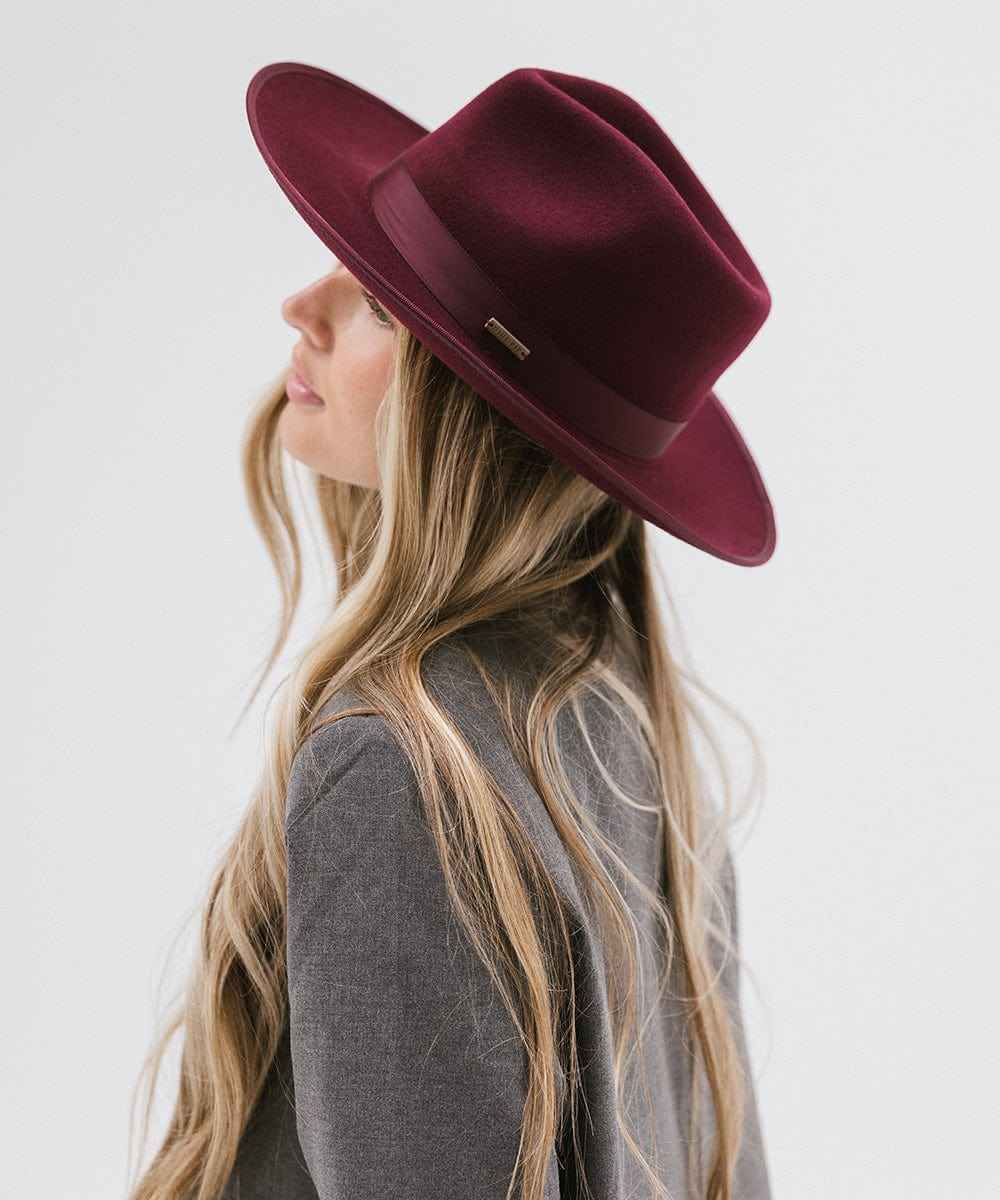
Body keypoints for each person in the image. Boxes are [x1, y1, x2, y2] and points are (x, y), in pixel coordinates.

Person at [127, 64, 777, 1200]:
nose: (303, 307)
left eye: (381, 302)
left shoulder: (401, 770)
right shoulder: (634, 736)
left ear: (468, 409)